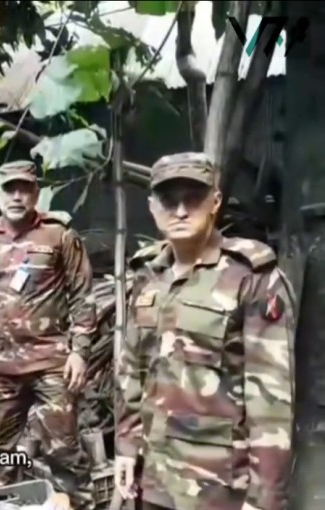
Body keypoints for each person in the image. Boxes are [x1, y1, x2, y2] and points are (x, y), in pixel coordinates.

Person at [115, 152, 295, 510]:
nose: (180, 211)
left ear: (215, 202)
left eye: (193, 198)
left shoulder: (251, 275)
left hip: (221, 488)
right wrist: (126, 447)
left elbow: (271, 397)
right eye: (169, 200)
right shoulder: (148, 274)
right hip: (155, 480)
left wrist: (265, 498)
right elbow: (132, 368)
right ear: (152, 207)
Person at [0, 160, 96, 509]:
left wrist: (80, 351)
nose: (16, 196)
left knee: (64, 450)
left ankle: (80, 505)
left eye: (24, 189)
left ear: (35, 194)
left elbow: (82, 296)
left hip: (51, 365)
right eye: (9, 189)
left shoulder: (58, 234)